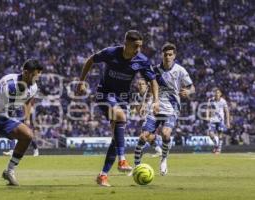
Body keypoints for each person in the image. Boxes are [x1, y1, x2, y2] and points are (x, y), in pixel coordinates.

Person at [76, 30, 159, 187]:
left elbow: (153, 81)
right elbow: (90, 60)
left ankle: (103, 175)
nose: (138, 50)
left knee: (116, 138)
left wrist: (155, 101)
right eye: (135, 46)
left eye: (140, 46)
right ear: (126, 43)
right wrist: (81, 81)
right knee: (121, 117)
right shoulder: (110, 52)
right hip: (104, 94)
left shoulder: (141, 60)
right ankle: (122, 160)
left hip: (123, 98)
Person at [133, 42, 195, 176]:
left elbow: (192, 87)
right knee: (143, 137)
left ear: (174, 56)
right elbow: (150, 88)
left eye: (170, 54)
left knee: (166, 134)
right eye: (165, 54)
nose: (167, 57)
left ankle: (164, 158)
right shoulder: (154, 70)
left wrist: (188, 92)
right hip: (155, 107)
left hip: (171, 108)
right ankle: (136, 166)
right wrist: (144, 103)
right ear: (162, 55)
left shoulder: (180, 70)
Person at [206, 88, 230, 154]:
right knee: (210, 134)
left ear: (220, 94)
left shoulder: (223, 101)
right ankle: (216, 145)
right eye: (216, 93)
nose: (217, 94)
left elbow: (227, 111)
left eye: (218, 93)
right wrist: (207, 116)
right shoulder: (210, 100)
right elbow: (208, 108)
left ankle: (219, 149)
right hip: (213, 120)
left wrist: (228, 121)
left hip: (220, 120)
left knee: (220, 134)